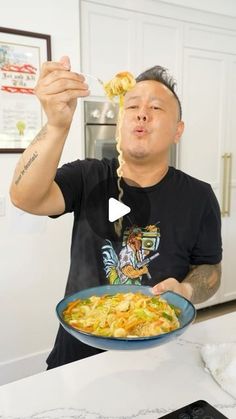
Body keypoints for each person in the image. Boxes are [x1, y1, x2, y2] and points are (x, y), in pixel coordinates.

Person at [9, 56, 222, 369]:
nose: (142, 114)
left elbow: (211, 270)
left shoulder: (199, 196)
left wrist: (186, 289)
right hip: (79, 350)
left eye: (156, 107)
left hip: (160, 353)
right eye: (132, 106)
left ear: (178, 130)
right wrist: (56, 125)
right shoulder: (88, 176)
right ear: (120, 121)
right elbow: (24, 197)